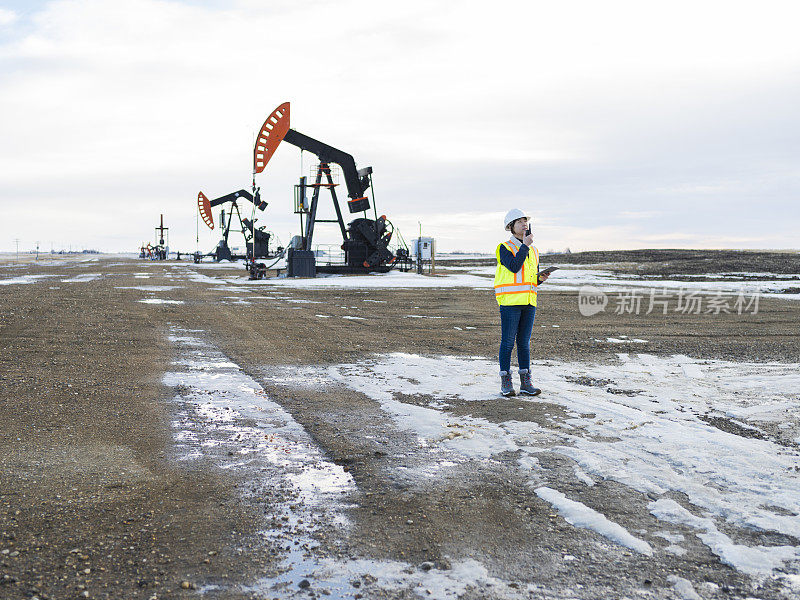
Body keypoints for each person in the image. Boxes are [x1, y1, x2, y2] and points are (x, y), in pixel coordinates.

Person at [494, 209, 549, 396]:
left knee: (524, 343)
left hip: (529, 301)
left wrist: (540, 279)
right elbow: (514, 266)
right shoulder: (505, 247)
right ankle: (506, 383)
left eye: (526, 221)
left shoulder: (534, 250)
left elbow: (530, 278)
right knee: (508, 343)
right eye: (520, 222)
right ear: (511, 227)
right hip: (510, 302)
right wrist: (524, 245)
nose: (524, 224)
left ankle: (526, 383)